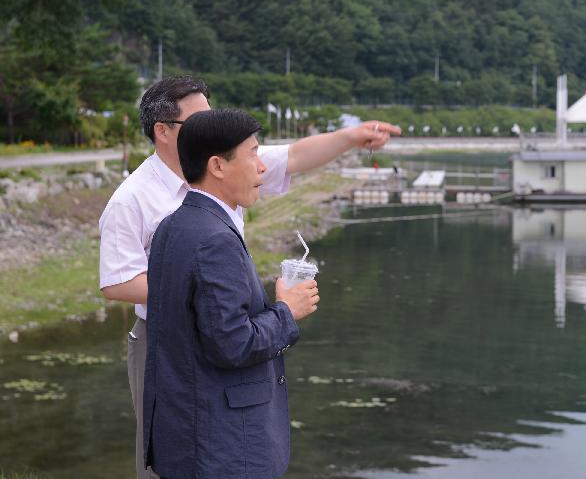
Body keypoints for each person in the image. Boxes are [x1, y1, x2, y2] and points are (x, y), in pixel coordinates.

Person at [98, 76, 400, 478]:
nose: (261, 166)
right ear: (163, 131)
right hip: (164, 333)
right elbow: (117, 282)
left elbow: (292, 156)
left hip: (210, 328)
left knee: (193, 442)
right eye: (199, 119)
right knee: (187, 440)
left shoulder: (212, 181)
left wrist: (350, 136)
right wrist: (277, 310)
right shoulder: (135, 198)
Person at [143, 109, 310, 478]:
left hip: (185, 432)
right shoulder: (216, 239)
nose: (262, 168)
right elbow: (233, 343)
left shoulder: (173, 225)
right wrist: (287, 310)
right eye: (252, 154)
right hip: (224, 446)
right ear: (217, 166)